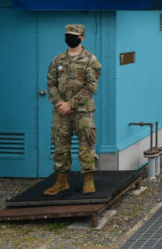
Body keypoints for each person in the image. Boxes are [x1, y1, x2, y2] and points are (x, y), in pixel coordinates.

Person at [43, 24, 102, 196]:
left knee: (86, 145)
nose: (70, 38)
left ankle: (88, 181)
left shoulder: (90, 60)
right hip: (61, 112)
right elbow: (50, 83)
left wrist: (71, 104)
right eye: (68, 35)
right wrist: (60, 103)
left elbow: (91, 86)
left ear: (82, 37)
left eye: (74, 35)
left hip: (83, 111)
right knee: (60, 146)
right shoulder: (58, 59)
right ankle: (61, 182)